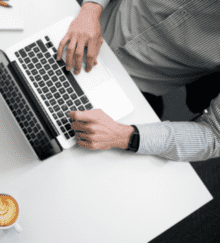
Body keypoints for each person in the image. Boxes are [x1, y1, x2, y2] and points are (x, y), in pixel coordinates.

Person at [57, 0, 220, 162]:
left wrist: (122, 136)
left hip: (130, 91)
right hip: (82, 25)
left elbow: (215, 135)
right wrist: (91, 10)